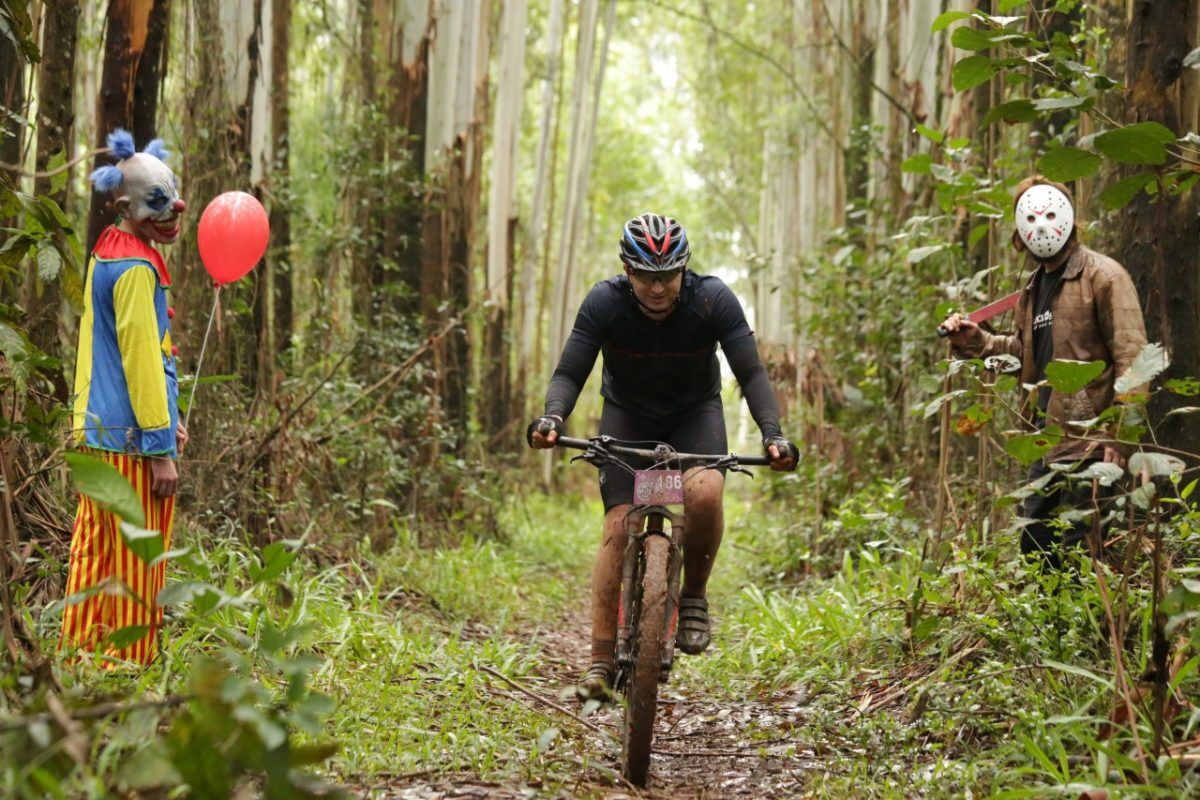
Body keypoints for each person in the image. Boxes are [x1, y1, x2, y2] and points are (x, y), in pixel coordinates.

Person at [527, 213, 798, 699]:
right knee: (617, 524)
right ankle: (600, 662)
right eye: (647, 276)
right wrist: (552, 418)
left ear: (684, 269)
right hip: (627, 416)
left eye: (668, 275)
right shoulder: (603, 302)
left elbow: (751, 373)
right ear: (627, 272)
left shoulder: (713, 299)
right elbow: (571, 371)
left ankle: (693, 597)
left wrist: (772, 435)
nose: (657, 287)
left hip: (695, 414)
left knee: (707, 491)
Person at [941, 176, 1147, 568]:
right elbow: (1024, 354)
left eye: (1050, 214)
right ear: (1019, 232)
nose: (1041, 226)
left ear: (1069, 216)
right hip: (1045, 441)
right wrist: (976, 341)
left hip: (1089, 444)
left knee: (1084, 554)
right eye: (1030, 218)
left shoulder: (1104, 277)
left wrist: (1117, 438)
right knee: (1036, 549)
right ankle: (1049, 628)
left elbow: (1133, 359)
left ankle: (1100, 628)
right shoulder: (1034, 289)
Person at [60, 129, 188, 665]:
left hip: (96, 432)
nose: (173, 212)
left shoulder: (108, 252)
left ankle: (80, 656)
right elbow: (139, 360)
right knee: (138, 555)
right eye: (158, 204)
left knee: (94, 549)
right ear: (126, 208)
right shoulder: (136, 269)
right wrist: (160, 447)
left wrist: (170, 416)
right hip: (131, 443)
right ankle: (130, 665)